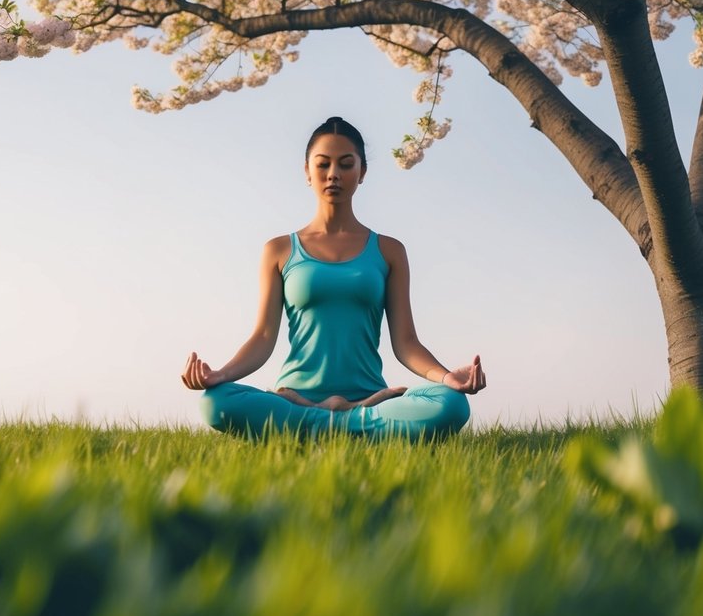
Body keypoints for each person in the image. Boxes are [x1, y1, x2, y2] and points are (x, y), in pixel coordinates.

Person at [181, 116, 486, 440]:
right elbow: (263, 337)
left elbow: (406, 343)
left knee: (452, 405)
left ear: (362, 172)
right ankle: (347, 427)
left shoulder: (390, 251)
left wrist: (446, 377)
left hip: (371, 400)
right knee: (215, 402)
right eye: (323, 164)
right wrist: (220, 374)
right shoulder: (279, 250)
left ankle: (323, 426)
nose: (333, 175)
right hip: (295, 400)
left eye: (345, 164)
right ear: (307, 171)